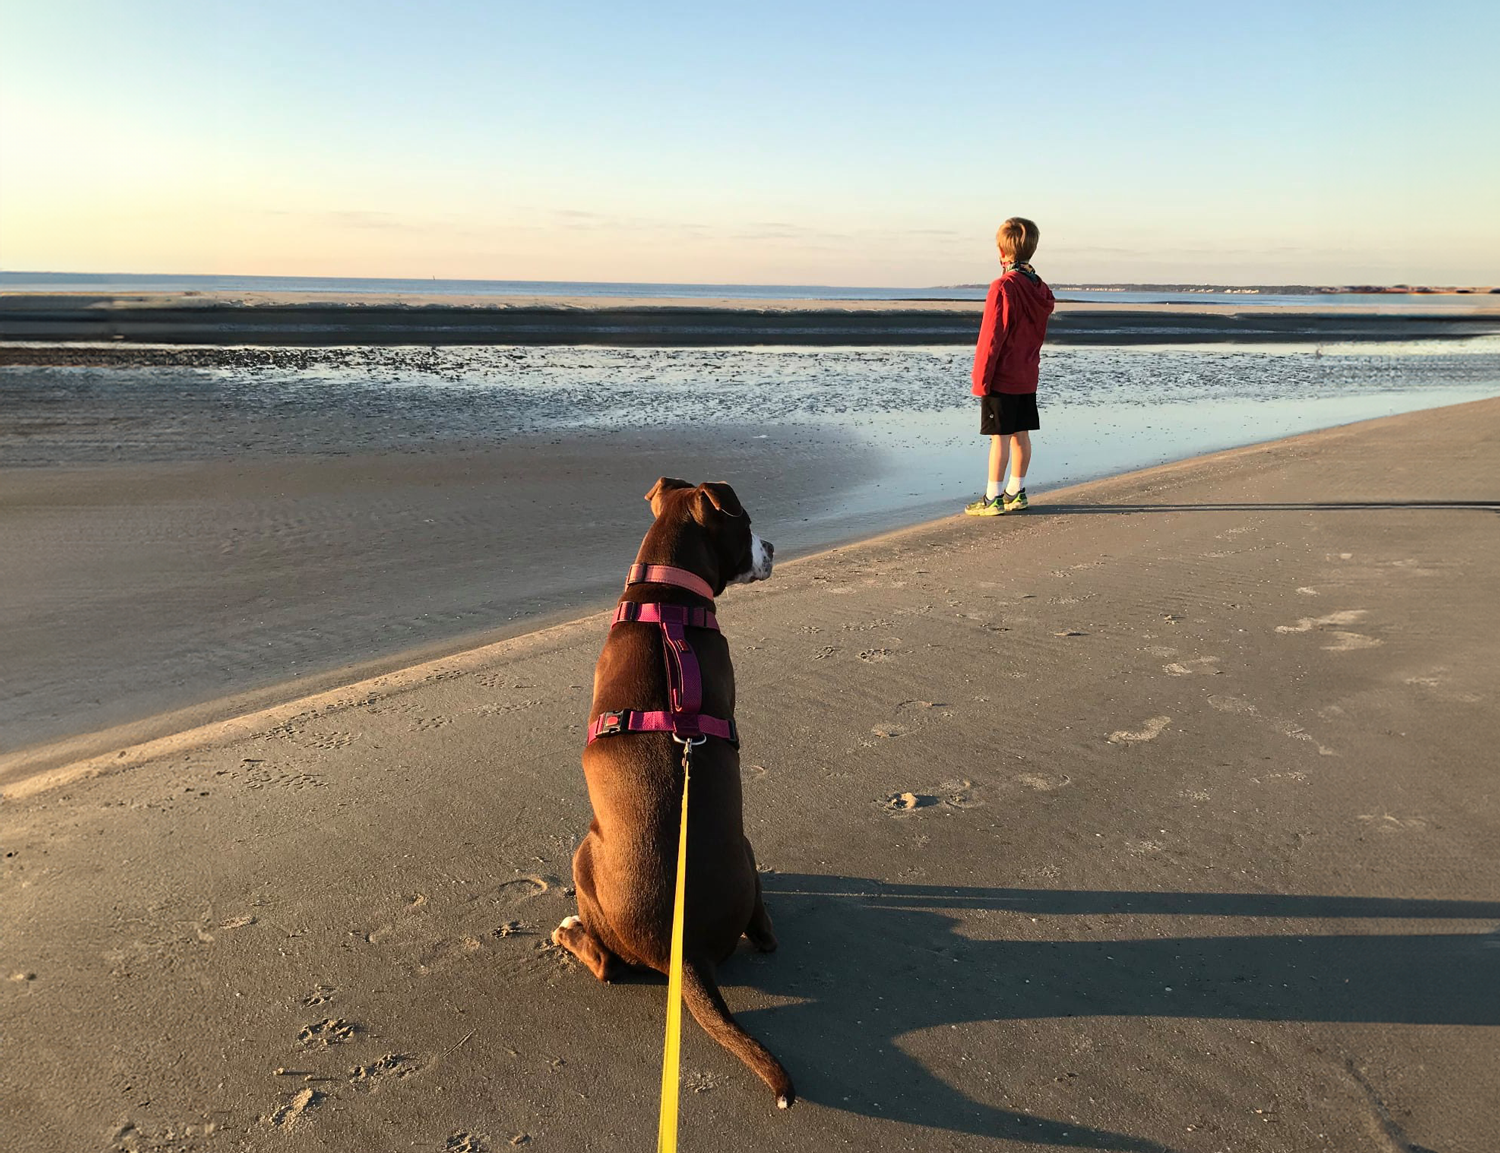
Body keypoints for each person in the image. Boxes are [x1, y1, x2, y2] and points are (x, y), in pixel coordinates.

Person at [964, 217, 1055, 516]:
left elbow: (991, 338)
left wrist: (981, 379)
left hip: (1003, 375)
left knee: (999, 437)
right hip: (1027, 373)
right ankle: (1017, 491)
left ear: (1002, 251)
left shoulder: (1003, 287)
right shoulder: (1039, 288)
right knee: (1021, 434)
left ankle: (994, 497)